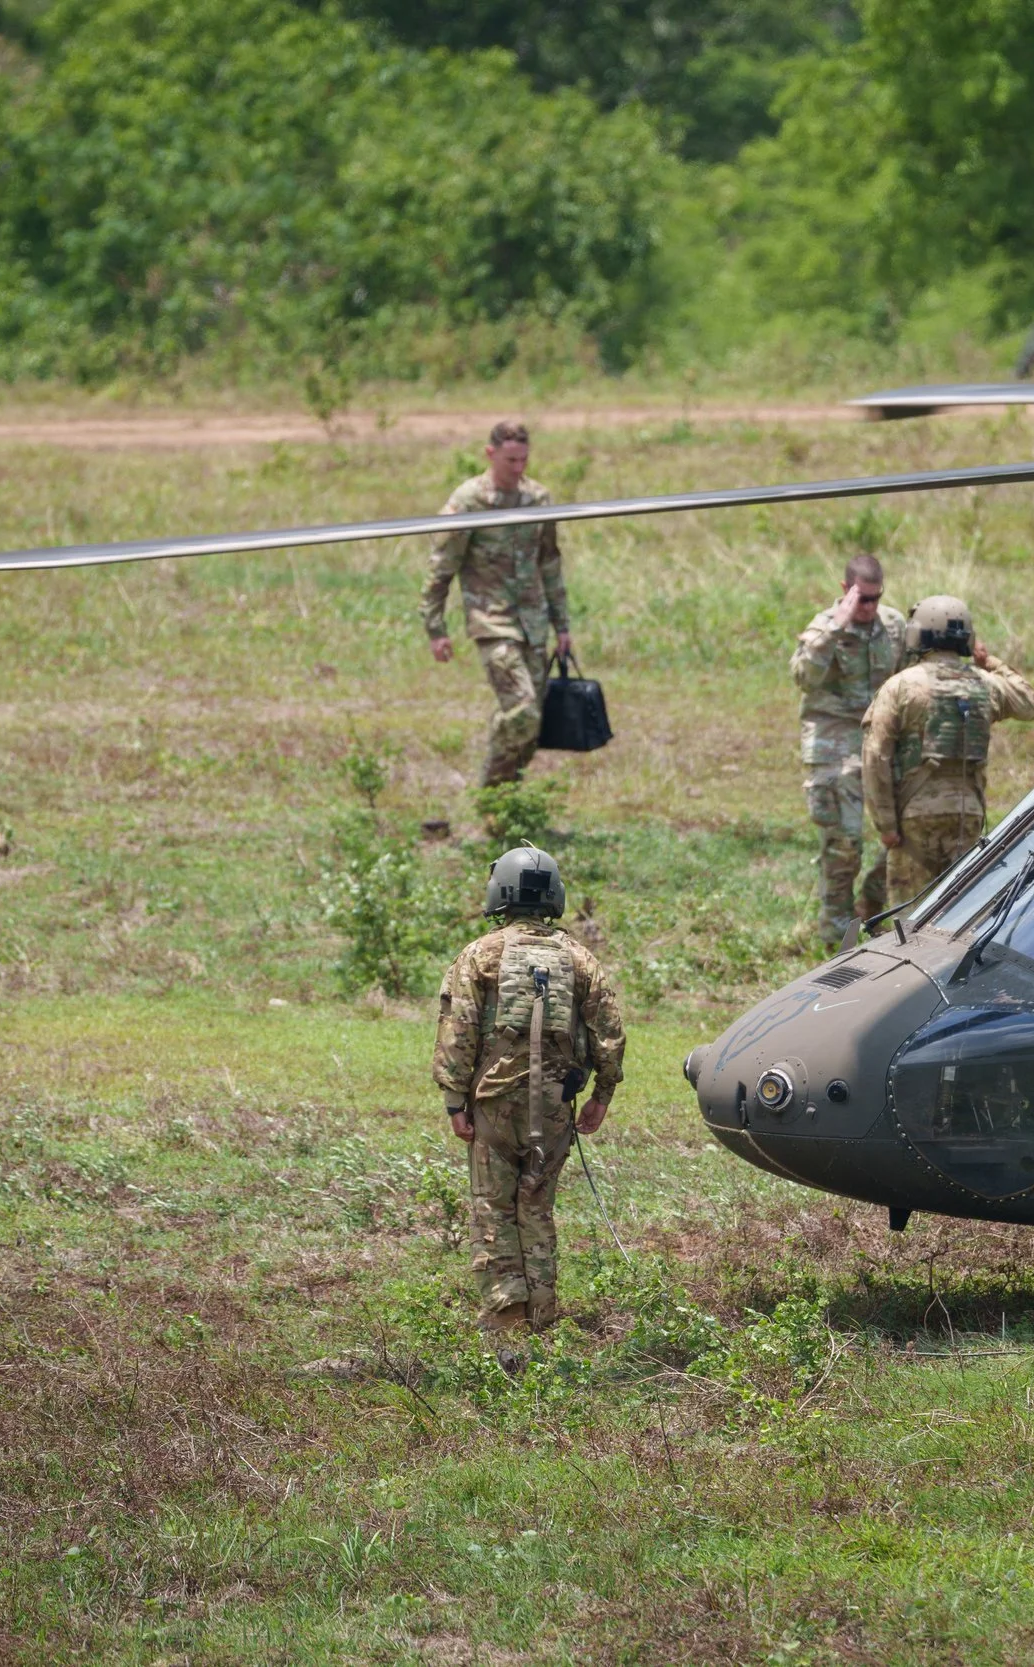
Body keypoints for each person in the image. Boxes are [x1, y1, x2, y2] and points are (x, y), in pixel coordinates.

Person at [432, 845, 626, 1338]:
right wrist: (602, 1094)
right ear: (554, 896)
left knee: (493, 1208)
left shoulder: (480, 954)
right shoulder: (580, 959)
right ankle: (541, 1316)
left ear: (500, 893)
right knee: (535, 1205)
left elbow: (459, 1031)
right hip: (555, 1104)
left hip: (494, 1103)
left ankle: (506, 1324)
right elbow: (608, 1032)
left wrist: (455, 1100)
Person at [860, 595, 1034, 907]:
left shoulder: (900, 687)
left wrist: (886, 825)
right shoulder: (984, 684)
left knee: (910, 919)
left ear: (918, 634)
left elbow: (876, 757)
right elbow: (1030, 705)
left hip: (913, 818)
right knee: (958, 915)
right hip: (966, 815)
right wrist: (990, 662)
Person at [422, 421, 574, 787]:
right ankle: (490, 793)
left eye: (524, 459)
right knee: (521, 709)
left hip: (533, 621)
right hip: (492, 621)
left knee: (532, 723)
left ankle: (510, 804)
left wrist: (562, 625)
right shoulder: (468, 502)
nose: (518, 468)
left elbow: (549, 562)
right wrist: (435, 628)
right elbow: (442, 567)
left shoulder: (538, 499)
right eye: (510, 460)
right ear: (490, 454)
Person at [790, 554, 903, 949]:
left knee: (905, 830)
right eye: (863, 599)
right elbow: (804, 677)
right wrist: (837, 627)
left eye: (876, 598)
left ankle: (872, 904)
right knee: (843, 842)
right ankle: (837, 932)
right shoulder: (825, 627)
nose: (869, 608)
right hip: (835, 743)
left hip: (882, 741)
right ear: (846, 590)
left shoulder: (892, 626)